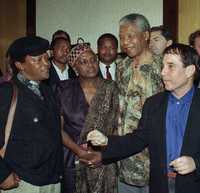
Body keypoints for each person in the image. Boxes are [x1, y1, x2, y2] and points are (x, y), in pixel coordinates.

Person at [86, 43, 200, 193]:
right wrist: (107, 141)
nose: (163, 73)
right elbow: (138, 139)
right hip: (161, 185)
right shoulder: (154, 104)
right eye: (163, 66)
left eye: (171, 66)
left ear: (190, 70)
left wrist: (196, 163)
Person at [0, 36, 63, 193]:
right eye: (38, 59)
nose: (46, 63)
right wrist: (2, 175)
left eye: (46, 57)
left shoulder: (47, 91)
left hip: (51, 178)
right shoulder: (8, 92)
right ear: (20, 65)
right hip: (23, 181)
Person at [56, 43, 119, 193]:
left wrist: (104, 153)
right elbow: (57, 129)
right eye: (83, 62)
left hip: (105, 158)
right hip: (73, 158)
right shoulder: (63, 89)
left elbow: (118, 125)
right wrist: (80, 151)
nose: (90, 65)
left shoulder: (111, 87)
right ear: (74, 67)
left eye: (93, 60)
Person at [113, 13, 163, 193]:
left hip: (153, 159)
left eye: (130, 36)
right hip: (123, 159)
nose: (125, 42)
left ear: (146, 35)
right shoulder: (121, 67)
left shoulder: (163, 67)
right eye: (121, 38)